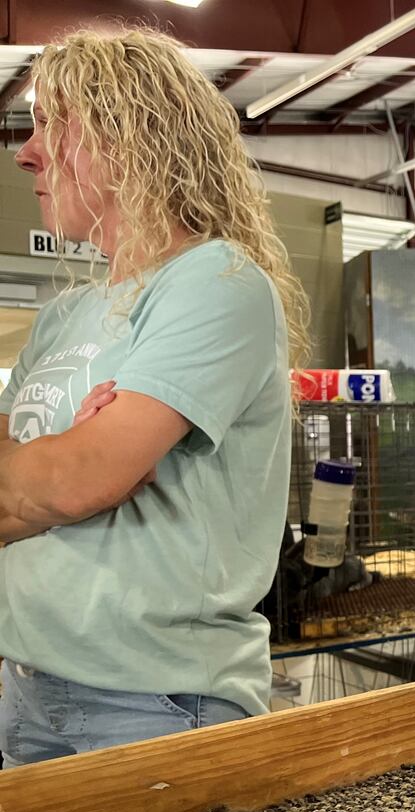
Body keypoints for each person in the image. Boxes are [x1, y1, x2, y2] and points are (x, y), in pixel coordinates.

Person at [0, 29, 309, 767]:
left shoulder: (215, 281)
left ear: (129, 136)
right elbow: (73, 482)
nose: (25, 151)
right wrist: (63, 469)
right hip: (24, 685)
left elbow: (80, 480)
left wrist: (62, 472)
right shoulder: (61, 318)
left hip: (152, 701)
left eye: (53, 125)